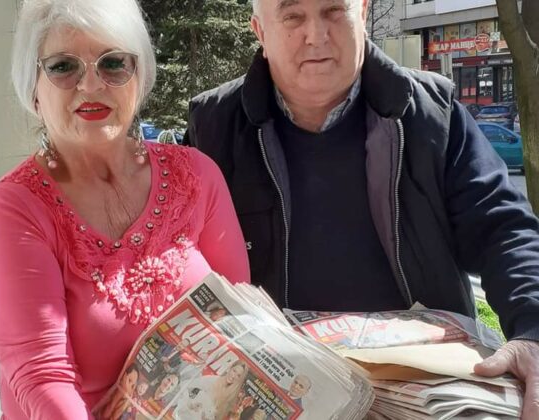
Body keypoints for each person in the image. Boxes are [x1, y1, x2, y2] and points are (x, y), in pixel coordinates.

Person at [184, 0, 539, 417]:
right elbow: (176, 263)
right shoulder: (212, 129)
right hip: (281, 394)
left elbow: (503, 229)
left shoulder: (432, 113)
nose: (315, 35)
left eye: (334, 10)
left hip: (419, 395)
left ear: (364, 13)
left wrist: (533, 328)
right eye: (293, 16)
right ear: (260, 31)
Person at [0, 0, 250, 418]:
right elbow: (42, 378)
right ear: (33, 87)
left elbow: (241, 322)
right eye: (63, 66)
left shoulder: (196, 175)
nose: (91, 85)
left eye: (114, 63)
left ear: (139, 77)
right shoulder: (13, 208)